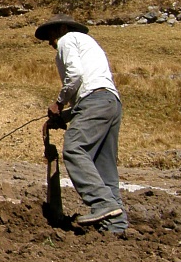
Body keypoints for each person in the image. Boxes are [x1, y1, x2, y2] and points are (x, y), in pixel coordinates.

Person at [35, 14, 128, 234]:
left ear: (63, 29)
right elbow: (89, 95)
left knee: (75, 148)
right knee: (105, 167)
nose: (50, 43)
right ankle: (116, 225)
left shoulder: (68, 40)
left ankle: (102, 204)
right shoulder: (89, 45)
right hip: (110, 103)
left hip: (96, 102)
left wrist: (58, 103)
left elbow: (75, 76)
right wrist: (63, 117)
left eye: (51, 37)